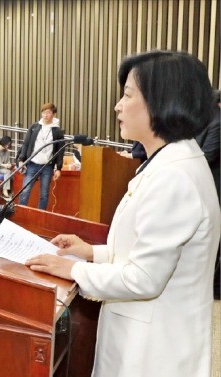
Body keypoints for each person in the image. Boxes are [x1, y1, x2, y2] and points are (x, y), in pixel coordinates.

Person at [25, 50, 221, 377]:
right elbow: (146, 252)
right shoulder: (166, 162)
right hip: (143, 338)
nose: (117, 105)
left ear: (162, 102)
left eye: (127, 95)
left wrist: (71, 271)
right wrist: (91, 252)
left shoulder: (175, 176)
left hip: (153, 353)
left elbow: (143, 279)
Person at [16, 103, 65, 210]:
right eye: (43, 112)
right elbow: (26, 144)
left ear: (54, 114)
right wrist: (21, 160)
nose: (45, 115)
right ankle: (20, 213)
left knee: (44, 194)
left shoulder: (58, 131)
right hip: (32, 164)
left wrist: (58, 168)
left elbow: (60, 151)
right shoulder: (34, 127)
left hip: (47, 166)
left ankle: (41, 215)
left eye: (48, 112)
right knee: (25, 190)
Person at [196, 89, 220, 299]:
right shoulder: (209, 121)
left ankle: (214, 286)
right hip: (205, 185)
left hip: (214, 186)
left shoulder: (216, 122)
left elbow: (207, 155)